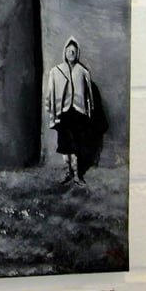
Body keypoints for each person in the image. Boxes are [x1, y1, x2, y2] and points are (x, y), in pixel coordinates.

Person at [45, 36, 103, 185]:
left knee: (76, 144)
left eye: (74, 51)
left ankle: (77, 175)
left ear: (77, 53)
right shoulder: (56, 72)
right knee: (64, 145)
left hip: (77, 114)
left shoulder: (83, 72)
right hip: (63, 113)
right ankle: (67, 172)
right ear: (64, 53)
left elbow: (89, 95)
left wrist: (88, 111)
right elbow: (50, 93)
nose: (71, 53)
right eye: (69, 51)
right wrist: (52, 110)